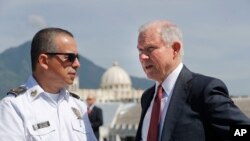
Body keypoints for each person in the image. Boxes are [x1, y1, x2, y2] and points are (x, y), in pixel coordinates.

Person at [135, 20, 250, 141]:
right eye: (140, 50)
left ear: (175, 49)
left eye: (150, 49)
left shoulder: (203, 91)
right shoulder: (147, 97)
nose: (142, 57)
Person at [0, 27, 97, 141]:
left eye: (77, 57)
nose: (77, 64)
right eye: (69, 57)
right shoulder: (14, 107)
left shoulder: (78, 106)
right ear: (44, 61)